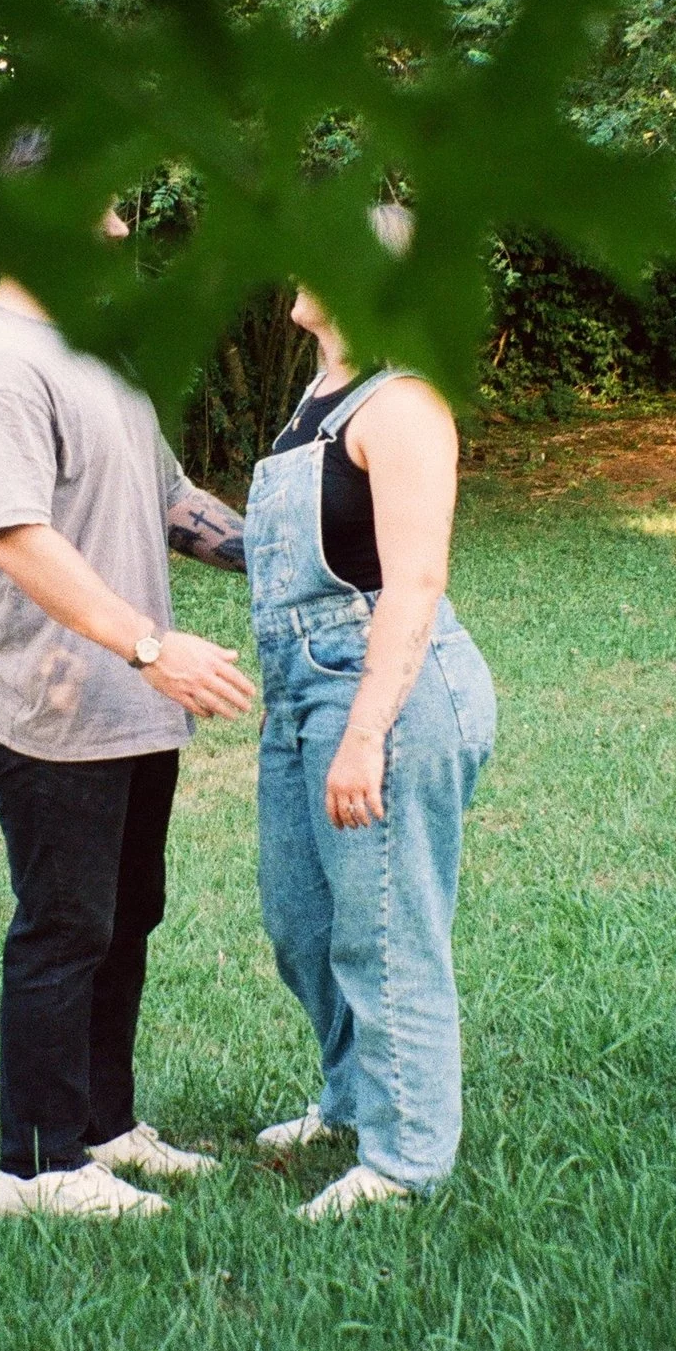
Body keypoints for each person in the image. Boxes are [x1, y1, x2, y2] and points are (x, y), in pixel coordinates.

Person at [0, 271, 255, 1219]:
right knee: (65, 925)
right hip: (51, 704)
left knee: (125, 913)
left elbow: (169, 496)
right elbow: (17, 537)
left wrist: (293, 553)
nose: (115, 231)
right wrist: (152, 645)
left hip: (132, 696)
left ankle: (104, 1127)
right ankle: (37, 1169)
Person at [248, 285, 497, 1221]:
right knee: (301, 919)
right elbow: (287, 547)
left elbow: (415, 579)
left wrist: (366, 731)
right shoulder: (319, 399)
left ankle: (406, 1163)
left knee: (388, 929)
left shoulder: (404, 403)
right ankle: (355, 1100)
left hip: (385, 688)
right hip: (298, 690)